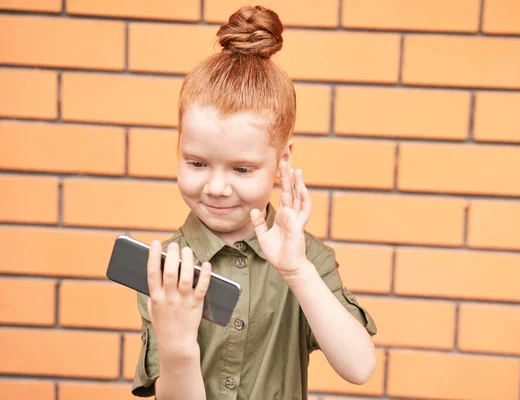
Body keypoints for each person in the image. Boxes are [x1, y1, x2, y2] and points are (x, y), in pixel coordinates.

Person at [131, 5, 377, 399]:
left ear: (282, 162)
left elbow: (360, 367)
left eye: (241, 170)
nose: (215, 187)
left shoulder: (307, 260)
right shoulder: (168, 269)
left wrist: (296, 271)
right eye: (196, 162)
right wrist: (177, 348)